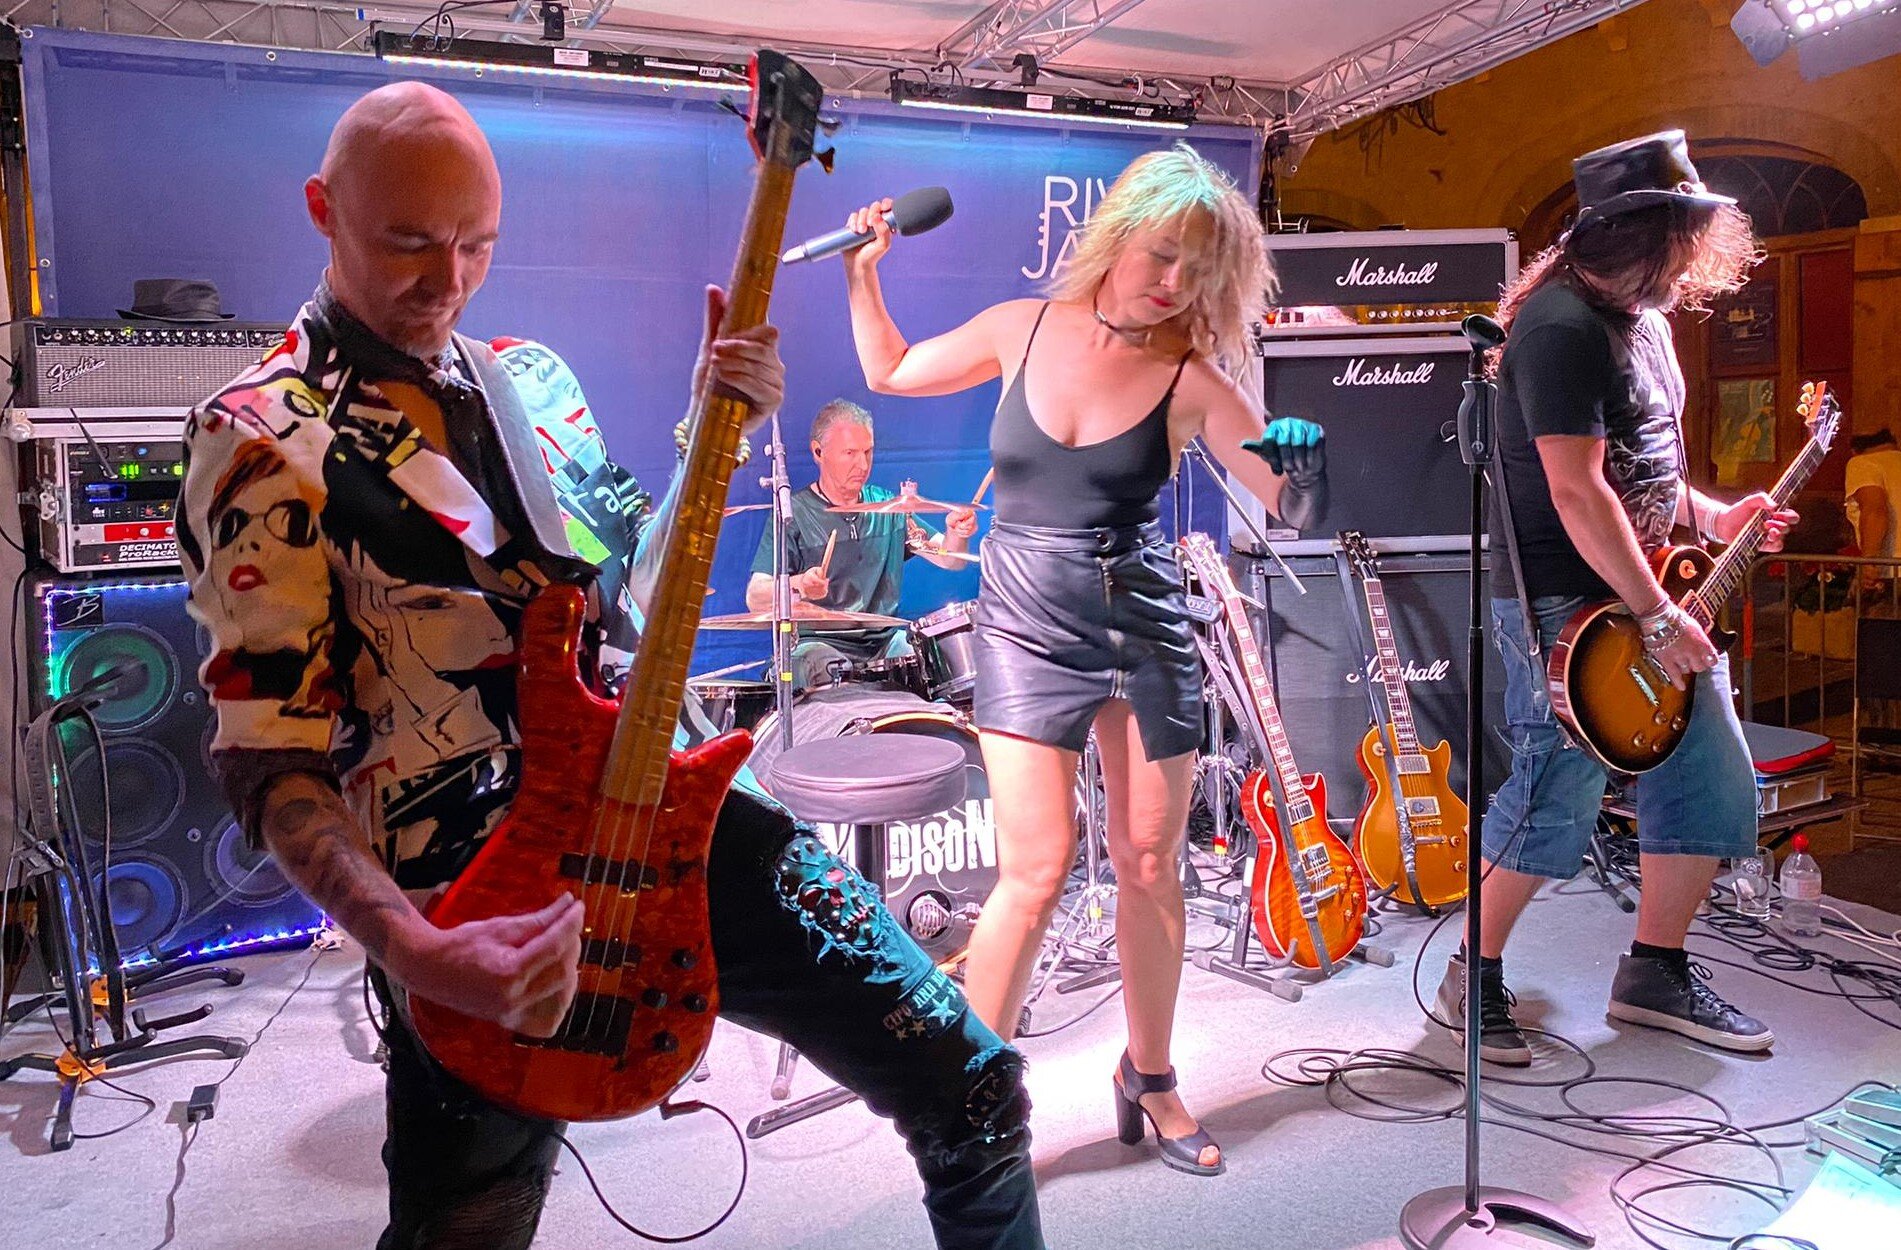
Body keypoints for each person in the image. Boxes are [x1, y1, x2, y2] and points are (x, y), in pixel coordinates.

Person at [179, 82, 1043, 1250]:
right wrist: (415, 950)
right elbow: (269, 757)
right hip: (472, 895)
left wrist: (711, 427)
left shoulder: (529, 380)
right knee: (468, 1228)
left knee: (973, 1086)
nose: (447, 278)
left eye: (477, 244)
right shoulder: (260, 435)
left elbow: (636, 588)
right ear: (323, 210)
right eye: (408, 242)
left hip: (662, 803)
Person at [838, 143, 1327, 1177]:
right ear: (1115, 238)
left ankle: (1150, 1075)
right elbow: (889, 370)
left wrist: (1302, 462)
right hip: (1023, 620)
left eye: (1196, 269)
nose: (1173, 282)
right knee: (1034, 868)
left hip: (1141, 624)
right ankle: (968, 1100)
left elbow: (1289, 507)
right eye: (1160, 254)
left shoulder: (1192, 379)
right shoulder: (1020, 327)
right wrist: (862, 275)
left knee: (1150, 863)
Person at [1439, 130, 1795, 1067]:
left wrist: (1712, 516)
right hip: (1567, 603)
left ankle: (1652, 974)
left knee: (1707, 775)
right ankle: (1470, 971)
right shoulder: (1557, 327)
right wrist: (1656, 613)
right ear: (1643, 236)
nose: (1693, 261)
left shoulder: (1644, 325)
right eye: (1684, 241)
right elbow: (1577, 491)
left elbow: (1644, 470)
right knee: (1556, 789)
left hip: (1642, 594)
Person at [745, 398, 977, 689]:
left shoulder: (888, 508)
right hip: (818, 644)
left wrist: (958, 533)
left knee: (923, 659)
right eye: (850, 453)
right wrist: (800, 584)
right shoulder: (794, 514)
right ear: (818, 452)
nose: (863, 464)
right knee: (821, 664)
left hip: (884, 643)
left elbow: (950, 558)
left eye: (868, 452)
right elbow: (755, 596)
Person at [1845, 426, 1900, 598]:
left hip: (1892, 571)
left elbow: (1875, 510)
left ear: (1854, 451)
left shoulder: (1863, 463)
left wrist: (1868, 562)